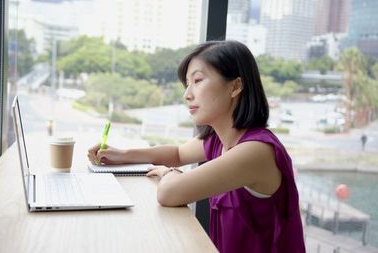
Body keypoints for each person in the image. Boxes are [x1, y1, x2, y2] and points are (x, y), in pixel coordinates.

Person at [88, 40, 305, 253]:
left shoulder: (256, 151)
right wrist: (121, 155)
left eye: (198, 80)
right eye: (187, 84)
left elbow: (169, 193)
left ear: (235, 86)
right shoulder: (221, 140)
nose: (187, 94)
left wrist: (169, 173)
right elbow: (178, 153)